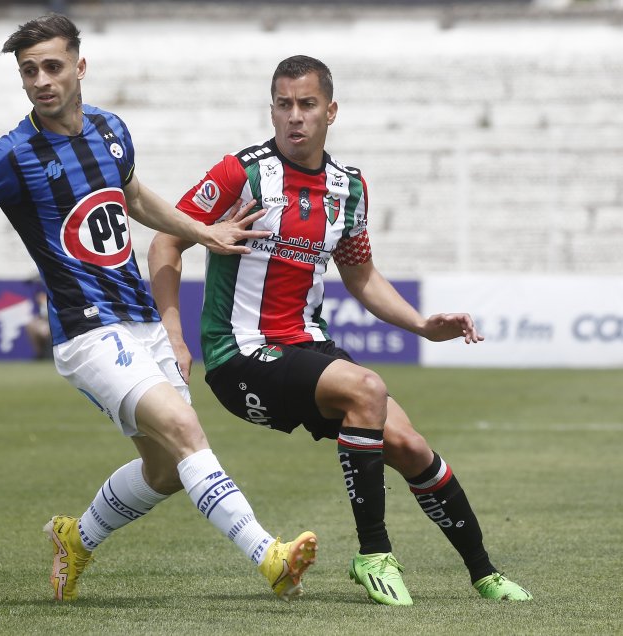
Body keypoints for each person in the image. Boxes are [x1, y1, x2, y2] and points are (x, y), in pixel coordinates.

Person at [0, 15, 317, 603]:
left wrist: (202, 232)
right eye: (29, 71)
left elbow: (135, 197)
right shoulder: (8, 155)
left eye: (52, 66)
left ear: (79, 67)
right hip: (88, 333)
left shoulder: (110, 129)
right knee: (184, 429)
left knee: (169, 469)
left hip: (141, 320)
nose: (42, 80)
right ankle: (270, 557)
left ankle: (76, 540)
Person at [148, 55, 532, 606]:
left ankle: (484, 574)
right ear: (273, 109)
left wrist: (424, 325)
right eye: (284, 105)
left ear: (331, 111)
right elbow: (165, 240)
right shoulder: (241, 173)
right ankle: (373, 551)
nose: (294, 117)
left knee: (409, 445)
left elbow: (361, 276)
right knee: (367, 388)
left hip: (306, 346)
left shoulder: (348, 188)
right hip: (240, 354)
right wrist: (175, 333)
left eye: (307, 105)